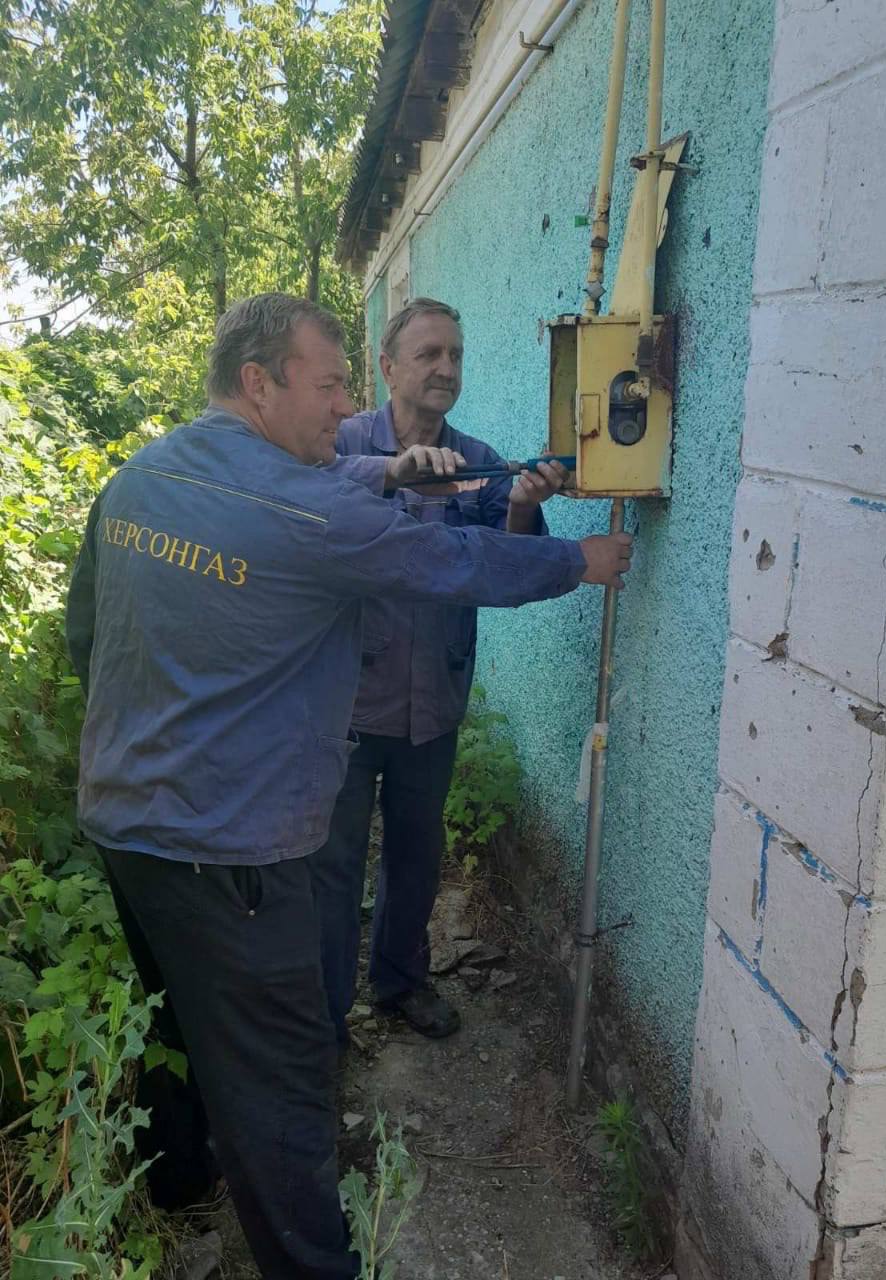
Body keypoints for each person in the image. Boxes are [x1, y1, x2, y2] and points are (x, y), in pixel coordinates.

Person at [65, 292, 633, 1280]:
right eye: (329, 384)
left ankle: (180, 1183)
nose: (343, 406)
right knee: (284, 1085)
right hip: (234, 851)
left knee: (178, 1015)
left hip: (126, 823)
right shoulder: (304, 507)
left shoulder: (140, 479)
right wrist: (575, 560)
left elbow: (85, 633)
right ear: (259, 382)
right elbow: (444, 556)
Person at [313, 298, 570, 1043]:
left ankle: (399, 983)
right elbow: (312, 502)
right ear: (387, 367)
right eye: (428, 354)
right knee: (333, 869)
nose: (445, 369)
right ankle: (327, 1016)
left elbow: (505, 566)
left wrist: (520, 506)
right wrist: (392, 473)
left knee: (417, 854)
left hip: (435, 700)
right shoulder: (342, 442)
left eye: (455, 354)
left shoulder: (480, 460)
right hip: (350, 704)